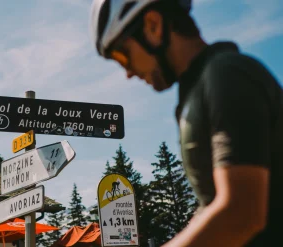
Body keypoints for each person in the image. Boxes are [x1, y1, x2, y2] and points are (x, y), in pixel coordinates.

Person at [89, 0, 283, 246]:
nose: (127, 73)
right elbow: (210, 206)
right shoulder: (195, 94)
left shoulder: (227, 74)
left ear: (153, 25)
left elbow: (241, 214)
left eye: (122, 55)